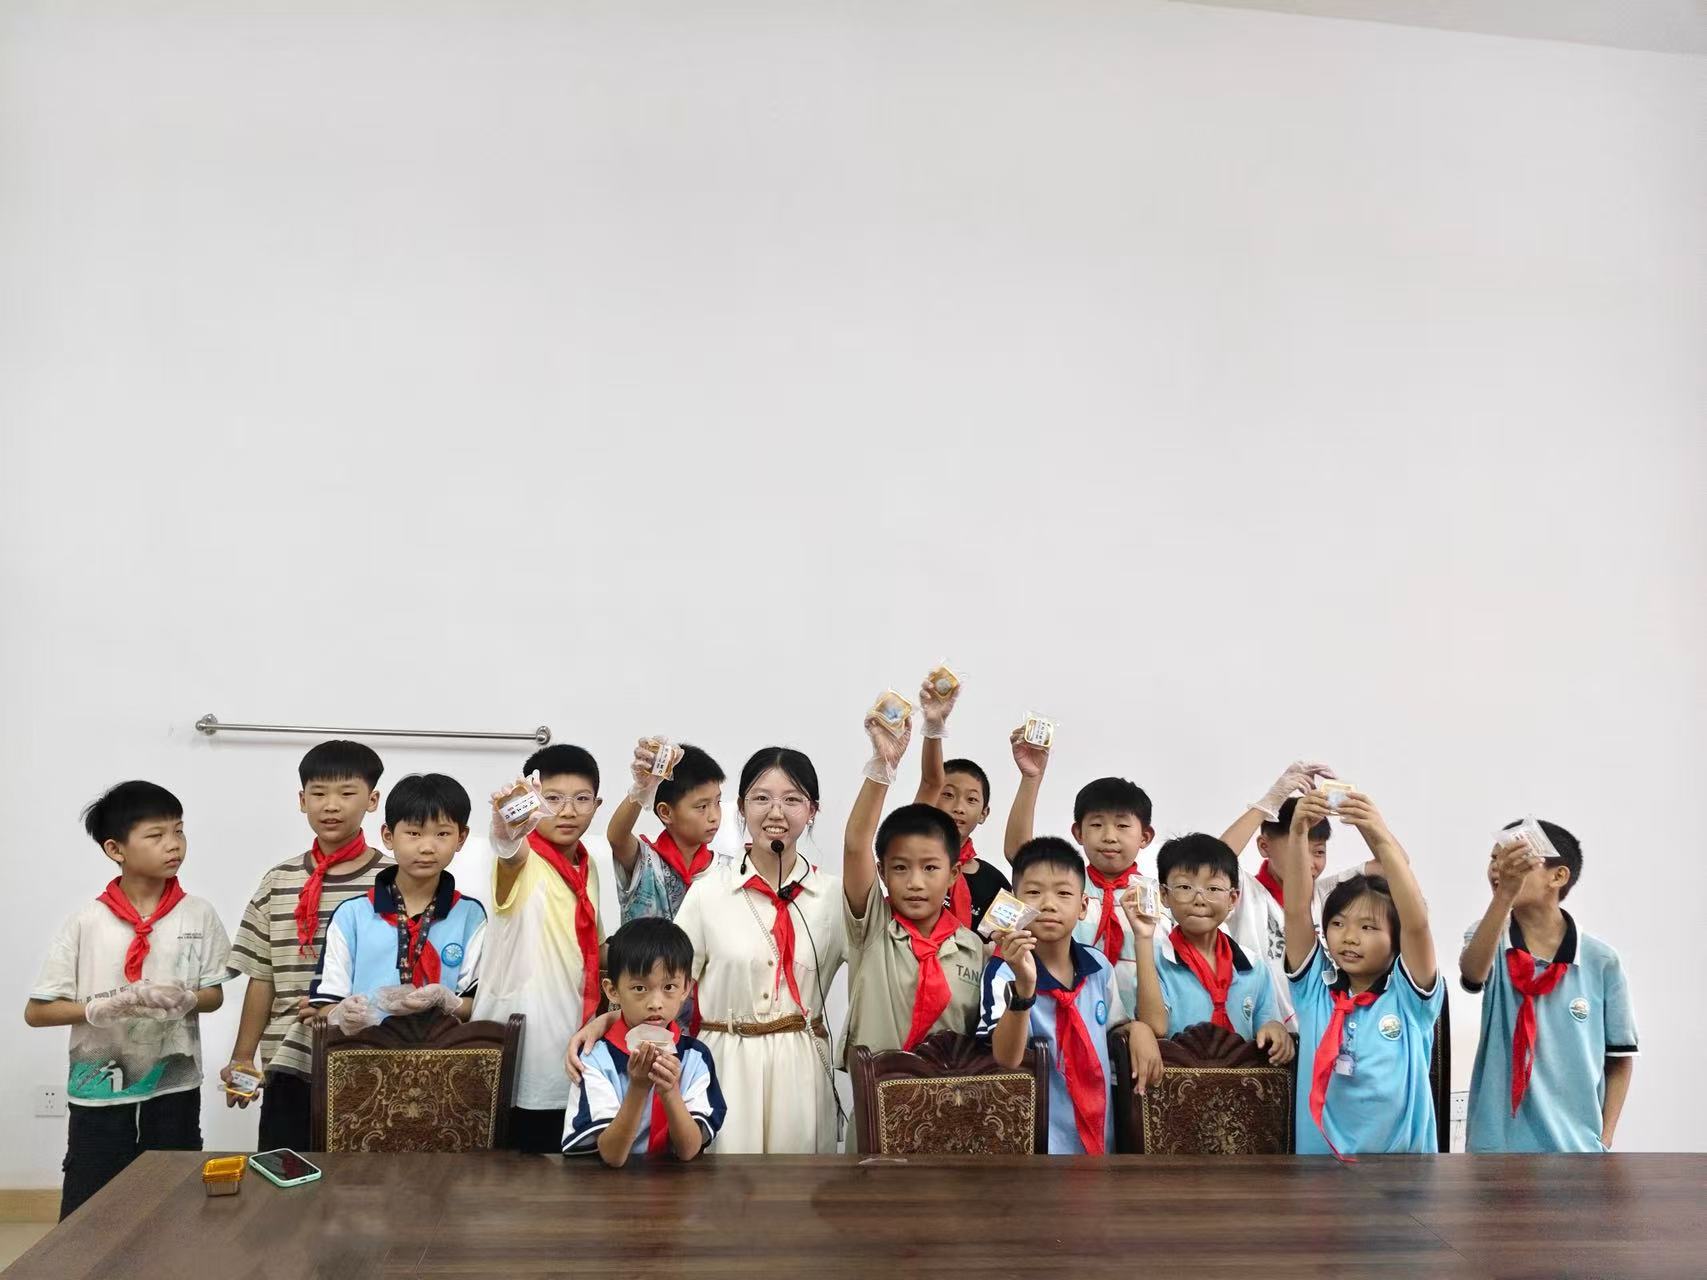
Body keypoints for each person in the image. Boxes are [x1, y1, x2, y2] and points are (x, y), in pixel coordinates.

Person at [570, 747, 846, 1154]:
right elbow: (666, 979)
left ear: (812, 811)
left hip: (801, 1066)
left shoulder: (834, 896)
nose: (776, 812)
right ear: (742, 807)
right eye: (761, 798)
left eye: (792, 799)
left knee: (798, 1182)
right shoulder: (709, 892)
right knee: (723, 1182)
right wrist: (607, 1021)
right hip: (725, 1062)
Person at [26, 782, 231, 1218]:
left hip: (174, 1086)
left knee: (174, 1208)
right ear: (115, 849)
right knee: (90, 1211)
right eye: (156, 835)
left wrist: (187, 999)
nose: (173, 845)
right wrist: (98, 1008)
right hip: (99, 1093)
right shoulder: (86, 922)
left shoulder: (198, 914)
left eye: (179, 831)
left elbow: (214, 995)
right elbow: (37, 1012)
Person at [222, 739, 387, 1152]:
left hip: (372, 1058)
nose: (331, 805)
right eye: (318, 793)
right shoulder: (278, 881)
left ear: (372, 800)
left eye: (346, 793)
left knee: (368, 1180)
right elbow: (262, 977)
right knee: (284, 1174)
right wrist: (242, 1057)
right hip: (287, 1060)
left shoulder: (393, 881)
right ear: (302, 800)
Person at [1280, 790, 1441, 1157]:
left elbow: (1416, 924)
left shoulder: (1409, 998)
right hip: (1321, 1174)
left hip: (1403, 1175)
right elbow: (1296, 911)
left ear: (1396, 939)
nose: (1349, 937)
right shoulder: (1315, 991)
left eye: (1368, 927)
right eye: (1338, 923)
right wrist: (1298, 832)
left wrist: (1378, 833)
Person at [1460, 819, 1636, 1152]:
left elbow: (1619, 1058)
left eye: (1516, 860)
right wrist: (1505, 895)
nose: (1500, 868)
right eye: (1495, 858)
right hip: (1495, 1149)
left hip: (1575, 1150)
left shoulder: (1601, 960)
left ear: (1558, 876)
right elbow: (1472, 974)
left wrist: (1605, 1139)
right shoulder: (1488, 936)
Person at [978, 837, 1162, 1154]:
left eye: (1063, 893)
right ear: (1014, 903)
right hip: (1037, 1149)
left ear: (1082, 906)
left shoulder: (1099, 967)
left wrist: (1138, 1028)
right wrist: (1024, 987)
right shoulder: (1002, 972)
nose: (1048, 904)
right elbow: (1007, 1058)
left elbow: (1113, 1028)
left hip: (1103, 1145)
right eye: (1034, 893)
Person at [476, 744, 607, 1153]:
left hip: (575, 1038)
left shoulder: (588, 864)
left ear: (597, 805)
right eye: (552, 799)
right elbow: (508, 849)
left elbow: (594, 948)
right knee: (515, 1172)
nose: (567, 811)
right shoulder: (524, 856)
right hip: (525, 1044)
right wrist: (506, 827)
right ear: (534, 802)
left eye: (581, 799)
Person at [842, 708, 985, 1058]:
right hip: (880, 1089)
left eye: (930, 868)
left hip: (958, 1090)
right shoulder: (873, 928)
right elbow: (856, 844)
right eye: (901, 868)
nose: (915, 882)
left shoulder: (972, 948)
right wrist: (882, 766)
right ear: (882, 872)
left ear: (953, 873)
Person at [309, 773, 484, 1026]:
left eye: (442, 834)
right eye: (413, 833)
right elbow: (324, 1005)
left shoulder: (470, 915)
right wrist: (342, 1014)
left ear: (461, 838)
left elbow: (476, 1004)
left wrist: (448, 1001)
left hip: (444, 1048)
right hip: (364, 1047)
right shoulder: (352, 914)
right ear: (388, 836)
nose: (427, 847)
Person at [1003, 732, 1156, 1015]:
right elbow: (1019, 854)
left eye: (1122, 826)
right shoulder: (1066, 890)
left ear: (1145, 836)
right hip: (1065, 1015)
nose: (1109, 836)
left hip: (1139, 1026)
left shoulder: (1156, 900)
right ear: (1078, 832)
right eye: (1096, 825)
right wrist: (1031, 778)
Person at [562, 918, 726, 1166]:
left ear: (686, 988)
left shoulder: (696, 1057)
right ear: (612, 990)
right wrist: (638, 1088)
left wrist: (670, 1091)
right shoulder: (594, 1059)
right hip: (608, 1185)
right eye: (639, 988)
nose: (655, 1003)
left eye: (669, 986)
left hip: (678, 1185)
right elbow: (612, 1156)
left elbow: (689, 1151)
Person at [1128, 834, 1293, 1066]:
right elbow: (1155, 1027)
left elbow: (1266, 1022)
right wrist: (1143, 938)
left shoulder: (1253, 966)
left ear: (1233, 898)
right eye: (1185, 887)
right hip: (1177, 1082)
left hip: (1240, 1084)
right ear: (1164, 895)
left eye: (1213, 888)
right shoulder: (1154, 959)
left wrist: (1275, 1028)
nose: (1199, 899)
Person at [910, 678, 1010, 931]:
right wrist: (934, 727)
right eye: (948, 794)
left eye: (971, 799)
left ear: (984, 813)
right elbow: (930, 780)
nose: (958, 807)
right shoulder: (912, 859)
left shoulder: (995, 883)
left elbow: (999, 945)